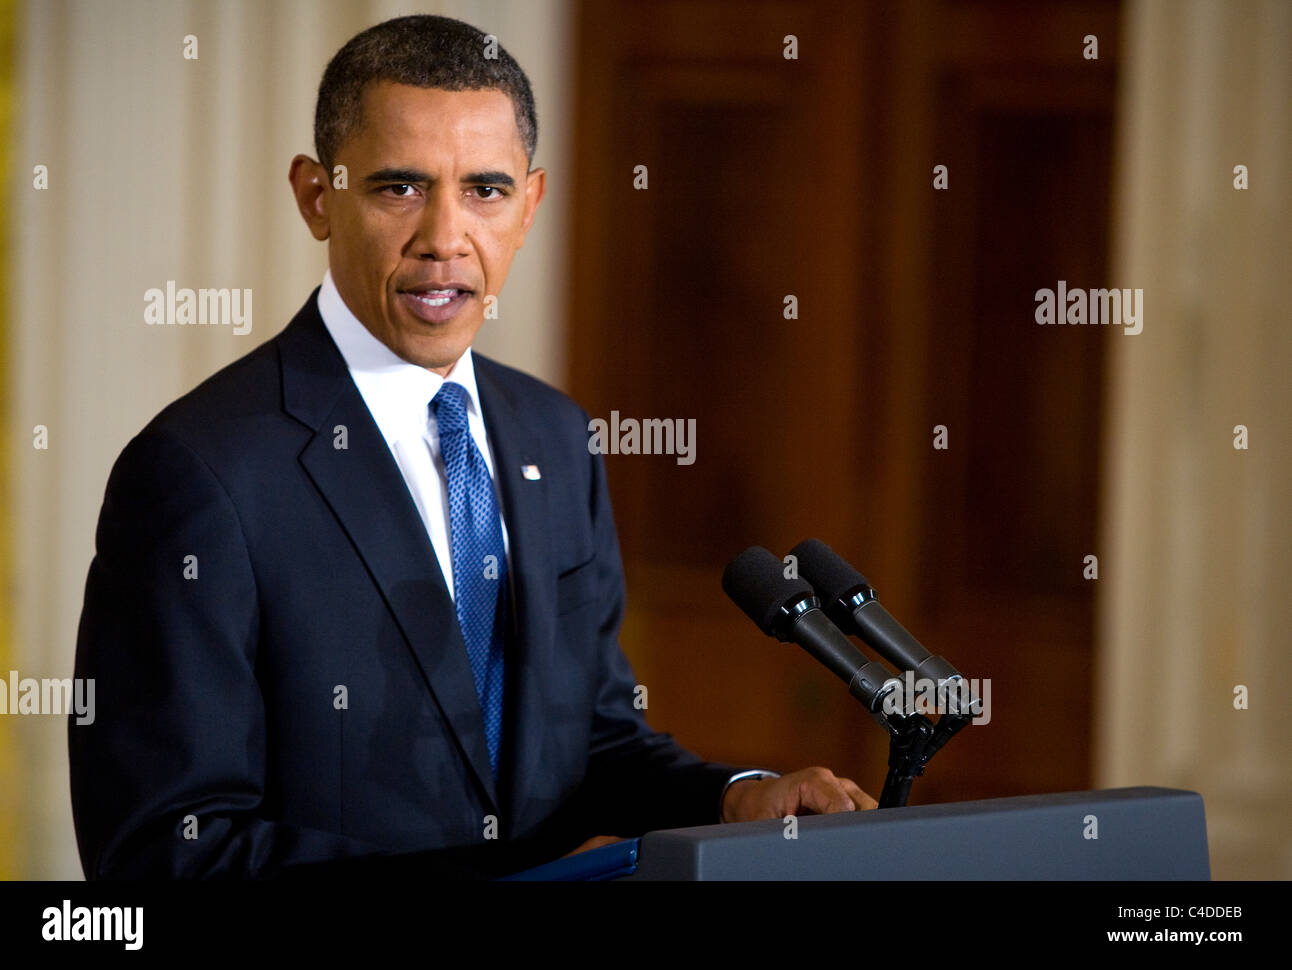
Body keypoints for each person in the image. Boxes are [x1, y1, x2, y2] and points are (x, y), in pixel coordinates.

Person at [68, 13, 875, 881]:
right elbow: (164, 850)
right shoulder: (198, 472)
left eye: (484, 191)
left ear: (529, 205)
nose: (445, 238)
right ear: (315, 196)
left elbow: (591, 742)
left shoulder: (556, 436)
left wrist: (735, 798)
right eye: (399, 188)